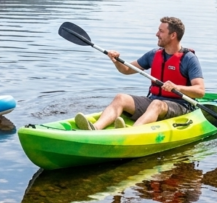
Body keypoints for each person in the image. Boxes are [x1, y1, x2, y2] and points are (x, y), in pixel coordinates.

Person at [74, 17, 204, 130]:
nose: (156, 34)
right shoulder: (154, 55)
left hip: (181, 106)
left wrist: (177, 87)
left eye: (161, 31)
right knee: (120, 97)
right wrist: (115, 60)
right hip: (154, 100)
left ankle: (131, 132)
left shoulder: (188, 59)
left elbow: (200, 91)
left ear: (173, 35)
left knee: (156, 104)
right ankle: (95, 128)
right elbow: (126, 70)